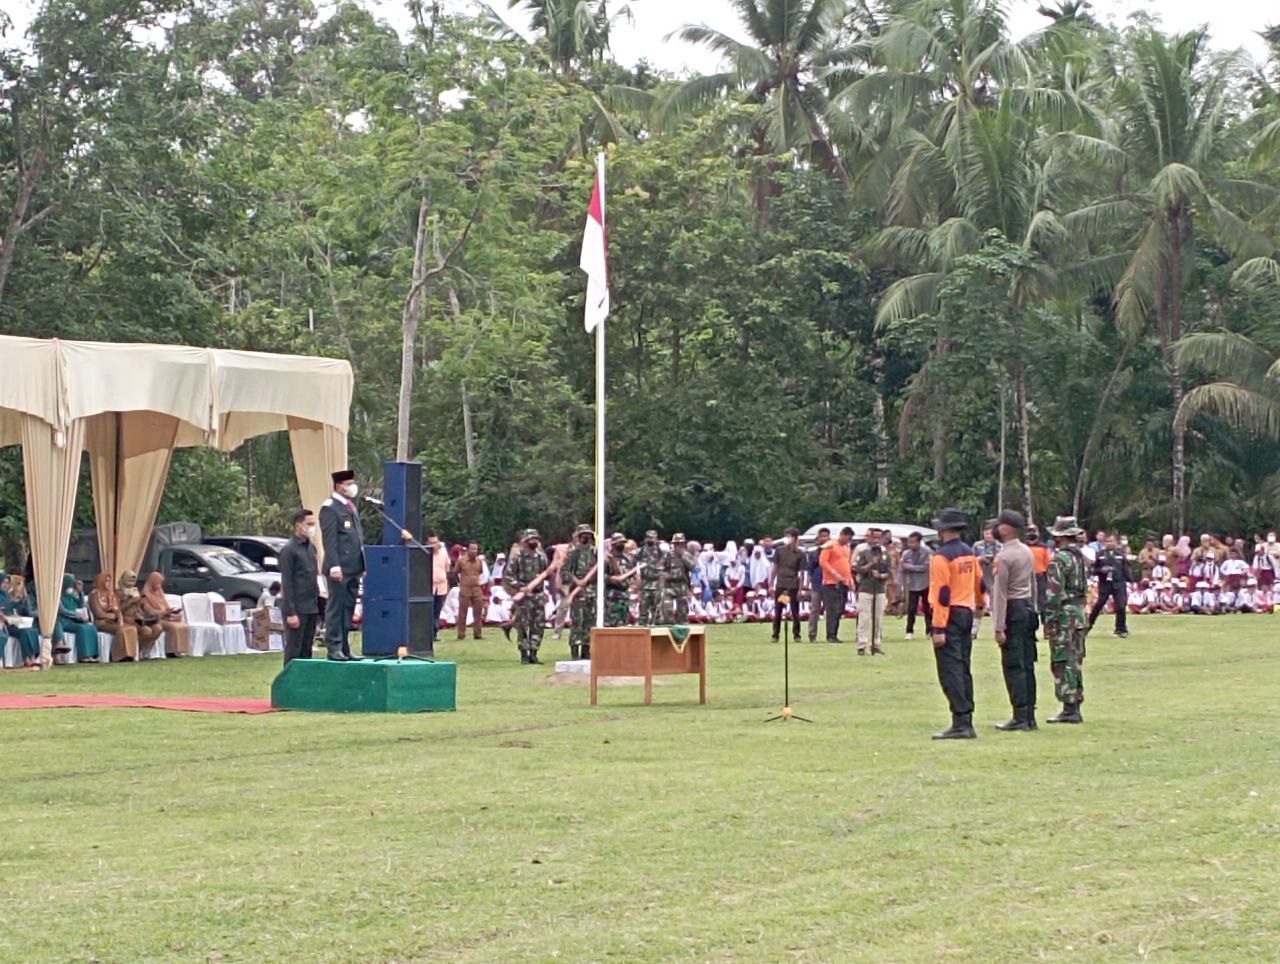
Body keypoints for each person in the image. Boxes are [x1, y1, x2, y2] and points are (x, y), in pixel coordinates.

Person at [927, 508, 984, 740]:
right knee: (963, 666)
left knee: (949, 670)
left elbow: (942, 593)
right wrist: (980, 606)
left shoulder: (941, 557)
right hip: (966, 611)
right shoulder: (969, 553)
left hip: (949, 614)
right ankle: (966, 716)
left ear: (942, 530)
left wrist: (938, 627)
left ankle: (960, 720)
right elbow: (979, 583)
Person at [988, 510, 1038, 732]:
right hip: (1027, 607)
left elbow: (999, 593)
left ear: (1005, 529)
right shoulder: (1027, 551)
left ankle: (1019, 715)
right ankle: (1029, 714)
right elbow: (1033, 582)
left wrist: (999, 626)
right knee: (1027, 663)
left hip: (1013, 609)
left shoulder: (1003, 557)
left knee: (1013, 664)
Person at [1044, 516, 1089, 724]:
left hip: (1064, 615)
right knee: (1075, 659)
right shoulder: (1080, 557)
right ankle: (1075, 702)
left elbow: (1054, 593)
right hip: (1079, 613)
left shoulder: (1059, 559)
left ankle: (1069, 705)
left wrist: (1050, 619)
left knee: (1063, 659)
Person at [320, 469, 365, 661]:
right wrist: (334, 566)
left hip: (353, 567)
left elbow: (357, 539)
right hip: (339, 569)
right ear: (339, 486)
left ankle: (345, 647)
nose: (353, 487)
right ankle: (334, 646)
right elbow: (330, 540)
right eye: (349, 484)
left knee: (348, 608)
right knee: (336, 608)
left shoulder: (350, 506)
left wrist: (363, 564)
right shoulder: (330, 508)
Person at [279, 508, 321, 664]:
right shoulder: (289, 550)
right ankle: (289, 683)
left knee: (306, 648)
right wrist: (291, 611)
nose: (312, 527)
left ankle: (305, 682)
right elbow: (287, 582)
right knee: (294, 648)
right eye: (309, 524)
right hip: (297, 607)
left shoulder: (312, 548)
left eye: (313, 523)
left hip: (311, 606)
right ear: (298, 526)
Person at [505, 528, 550, 664]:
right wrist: (520, 586)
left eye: (535, 539)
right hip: (524, 596)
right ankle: (524, 654)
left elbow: (545, 575)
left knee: (538, 625)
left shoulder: (541, 558)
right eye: (531, 539)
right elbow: (508, 576)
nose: (533, 541)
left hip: (538, 596)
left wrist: (544, 591)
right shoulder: (517, 557)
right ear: (525, 541)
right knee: (523, 625)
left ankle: (534, 653)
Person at [562, 525, 598, 658]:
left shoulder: (596, 553)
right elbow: (565, 573)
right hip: (577, 594)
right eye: (583, 535)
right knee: (577, 622)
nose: (586, 537)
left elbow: (603, 572)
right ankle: (575, 651)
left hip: (592, 593)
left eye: (588, 535)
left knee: (590, 622)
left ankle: (586, 650)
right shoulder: (573, 553)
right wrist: (576, 581)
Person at [853, 527, 889, 655]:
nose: (876, 540)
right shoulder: (864, 553)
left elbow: (888, 572)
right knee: (864, 617)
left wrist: (881, 576)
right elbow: (858, 569)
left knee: (878, 618)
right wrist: (870, 565)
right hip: (865, 588)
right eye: (874, 537)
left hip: (879, 589)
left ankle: (876, 644)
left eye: (879, 537)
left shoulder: (885, 554)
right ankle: (861, 645)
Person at [89, 572, 138, 661]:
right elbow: (99, 613)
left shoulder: (110, 594)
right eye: (106, 581)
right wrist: (113, 616)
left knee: (132, 628)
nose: (108, 584)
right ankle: (118, 656)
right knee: (121, 630)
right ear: (101, 582)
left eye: (109, 581)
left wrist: (120, 618)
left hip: (113, 621)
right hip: (102, 623)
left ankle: (130, 654)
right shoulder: (94, 595)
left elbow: (117, 609)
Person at [1089, 533, 1130, 638]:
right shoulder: (1100, 554)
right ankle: (1088, 625)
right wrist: (1101, 570)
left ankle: (1121, 629)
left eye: (1112, 541)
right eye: (1107, 541)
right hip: (1105, 583)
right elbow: (1093, 569)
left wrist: (1130, 580)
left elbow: (1126, 568)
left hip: (1119, 583)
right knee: (1099, 604)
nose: (1110, 543)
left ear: (1116, 542)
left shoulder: (1121, 554)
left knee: (1121, 606)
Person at [141, 572, 190, 657]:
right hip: (154, 619)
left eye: (160, 583)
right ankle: (171, 651)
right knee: (174, 627)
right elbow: (150, 612)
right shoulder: (145, 594)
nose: (159, 585)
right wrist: (163, 612)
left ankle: (180, 650)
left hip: (165, 616)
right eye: (157, 583)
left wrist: (171, 611)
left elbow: (165, 605)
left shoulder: (159, 591)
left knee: (183, 625)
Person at [819, 527, 855, 643]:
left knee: (840, 609)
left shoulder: (846, 548)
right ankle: (830, 635)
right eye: (847, 538)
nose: (847, 541)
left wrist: (850, 581)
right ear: (842, 534)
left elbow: (846, 565)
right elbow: (823, 561)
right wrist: (834, 572)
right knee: (832, 609)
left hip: (843, 583)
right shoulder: (830, 545)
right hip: (831, 583)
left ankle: (835, 633)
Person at [770, 527, 805, 642]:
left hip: (793, 585)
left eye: (789, 536)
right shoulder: (780, 551)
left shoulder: (800, 553)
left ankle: (796, 634)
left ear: (795, 538)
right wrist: (771, 584)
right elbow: (775, 568)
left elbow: (801, 573)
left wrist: (800, 589)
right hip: (781, 584)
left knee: (795, 611)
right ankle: (775, 634)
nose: (787, 539)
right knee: (778, 610)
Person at [1, 572, 42, 667]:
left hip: (14, 622)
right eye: (4, 582)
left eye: (7, 583)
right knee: (24, 632)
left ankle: (33, 657)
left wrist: (22, 601)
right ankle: (26, 658)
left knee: (32, 630)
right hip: (6, 625)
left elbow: (14, 608)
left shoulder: (7, 596)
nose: (6, 585)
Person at [118, 570, 163, 655]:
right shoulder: (119, 592)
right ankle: (136, 649)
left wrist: (142, 604)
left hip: (139, 617)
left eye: (133, 581)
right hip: (127, 619)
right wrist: (130, 601)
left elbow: (141, 608)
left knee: (158, 628)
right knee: (147, 631)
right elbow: (118, 609)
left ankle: (144, 647)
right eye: (129, 580)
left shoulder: (135, 591)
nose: (132, 583)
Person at [58, 573, 100, 662]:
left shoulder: (74, 594)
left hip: (76, 620)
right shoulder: (58, 596)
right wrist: (78, 615)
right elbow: (63, 611)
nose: (71, 587)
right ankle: (84, 656)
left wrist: (80, 592)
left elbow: (83, 605)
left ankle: (93, 655)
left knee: (91, 627)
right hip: (65, 621)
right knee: (82, 628)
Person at [452, 540, 489, 641]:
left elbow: (481, 573)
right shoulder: (461, 561)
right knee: (463, 612)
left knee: (478, 612)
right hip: (465, 588)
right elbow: (454, 573)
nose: (474, 551)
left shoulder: (479, 561)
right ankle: (461, 634)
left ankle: (478, 634)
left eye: (476, 549)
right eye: (472, 549)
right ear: (468, 549)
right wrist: (460, 583)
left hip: (477, 588)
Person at [899, 532, 933, 639]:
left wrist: (911, 567)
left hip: (925, 583)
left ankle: (930, 631)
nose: (910, 545)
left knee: (927, 609)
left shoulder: (926, 552)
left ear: (919, 542)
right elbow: (902, 569)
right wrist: (900, 584)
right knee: (911, 609)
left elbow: (925, 567)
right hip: (912, 584)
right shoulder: (906, 554)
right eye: (909, 542)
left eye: (913, 542)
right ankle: (909, 631)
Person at [659, 533, 694, 624]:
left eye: (681, 544)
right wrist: (663, 576)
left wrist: (683, 557)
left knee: (682, 611)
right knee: (667, 609)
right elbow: (660, 568)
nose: (679, 546)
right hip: (669, 585)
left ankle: (682, 628)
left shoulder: (687, 556)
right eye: (677, 544)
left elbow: (693, 568)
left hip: (682, 585)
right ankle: (668, 626)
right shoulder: (668, 555)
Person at [604, 532, 635, 627]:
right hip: (611, 598)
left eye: (623, 543)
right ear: (613, 544)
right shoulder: (606, 559)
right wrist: (609, 579)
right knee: (611, 626)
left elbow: (632, 576)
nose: (621, 545)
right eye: (619, 543)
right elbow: (599, 576)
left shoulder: (628, 559)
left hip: (624, 597)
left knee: (624, 625)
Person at [425, 531, 450, 645]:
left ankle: (434, 633)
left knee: (437, 611)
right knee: (428, 611)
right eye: (431, 543)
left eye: (435, 542)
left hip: (441, 587)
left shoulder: (443, 553)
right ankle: (427, 634)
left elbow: (447, 568)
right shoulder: (425, 554)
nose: (434, 545)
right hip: (428, 586)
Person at [805, 528, 830, 642]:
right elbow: (810, 570)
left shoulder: (832, 551)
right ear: (818, 538)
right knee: (814, 610)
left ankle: (831, 634)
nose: (824, 538)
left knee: (830, 610)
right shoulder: (814, 553)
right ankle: (812, 634)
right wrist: (807, 585)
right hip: (817, 584)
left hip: (830, 584)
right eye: (822, 536)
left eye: (826, 536)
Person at [636, 531, 665, 626]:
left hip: (656, 583)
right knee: (643, 611)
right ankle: (641, 630)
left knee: (656, 610)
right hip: (645, 583)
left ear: (656, 539)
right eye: (649, 538)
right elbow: (636, 567)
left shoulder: (661, 552)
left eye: (653, 538)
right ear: (645, 539)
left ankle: (656, 631)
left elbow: (663, 569)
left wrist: (661, 584)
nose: (651, 540)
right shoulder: (640, 552)